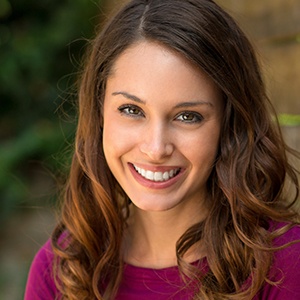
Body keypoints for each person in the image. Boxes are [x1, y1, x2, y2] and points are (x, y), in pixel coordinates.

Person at [25, 0, 300, 299]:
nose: (156, 149)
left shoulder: (284, 265)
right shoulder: (62, 270)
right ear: (99, 112)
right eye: (131, 110)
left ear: (229, 123)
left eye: (188, 117)